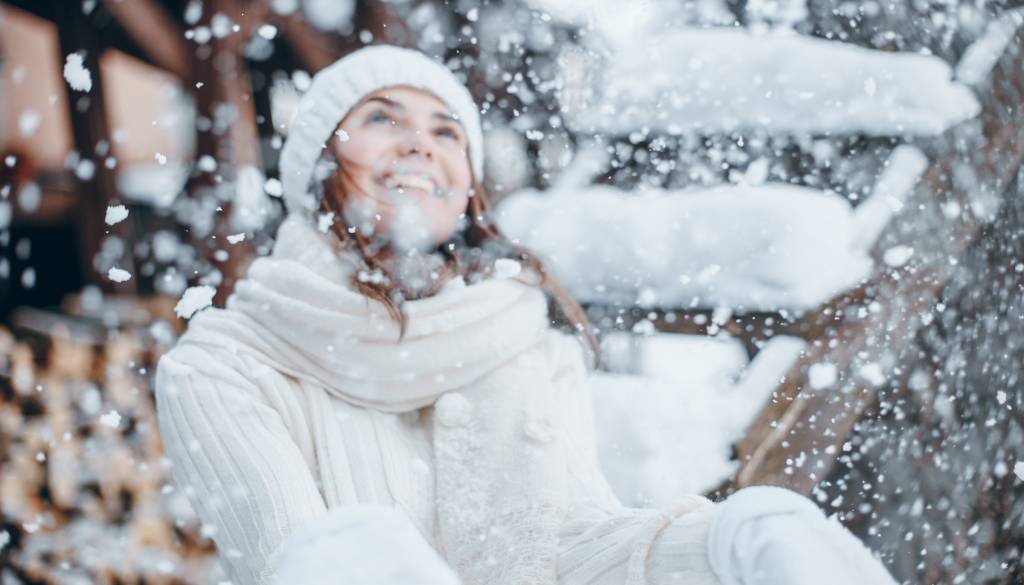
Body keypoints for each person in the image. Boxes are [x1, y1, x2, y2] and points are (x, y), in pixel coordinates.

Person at [154, 45, 899, 585]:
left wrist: (723, 543)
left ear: (467, 191)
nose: (422, 141)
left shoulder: (526, 348)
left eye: (448, 131)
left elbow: (566, 551)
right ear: (317, 163)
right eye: (382, 117)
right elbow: (300, 565)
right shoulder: (224, 365)